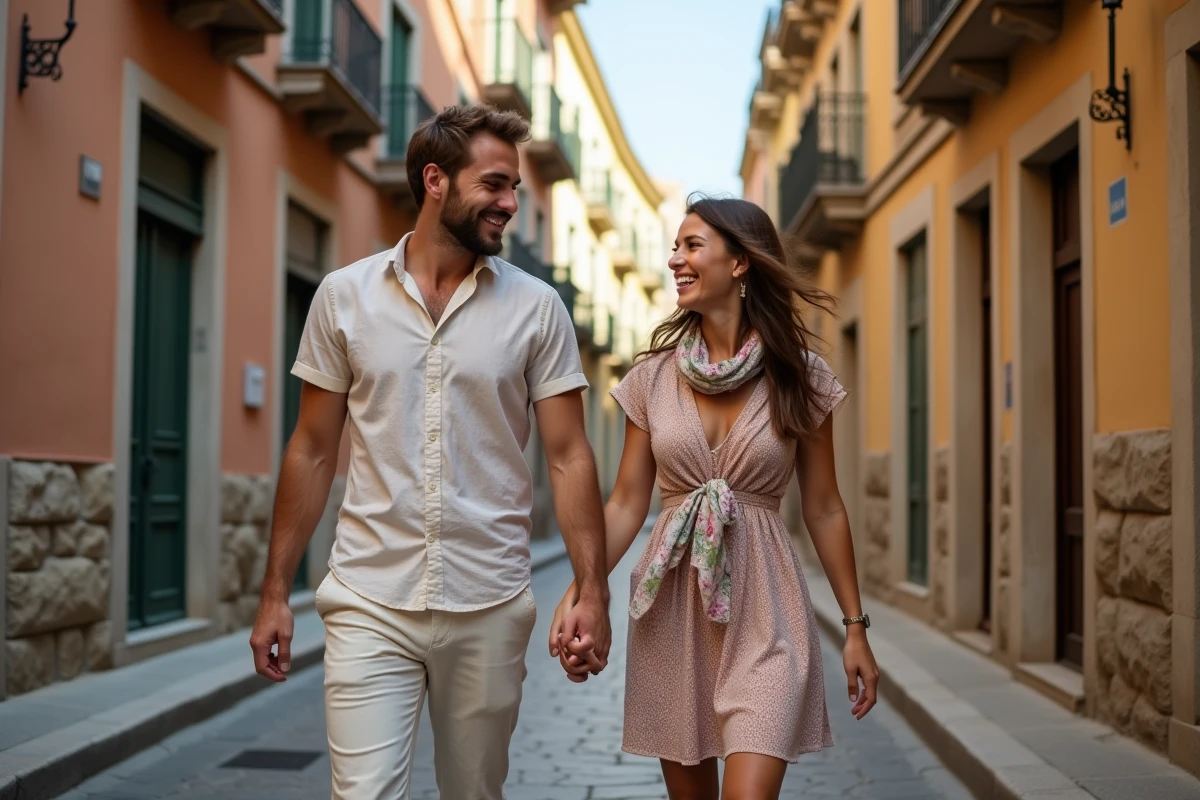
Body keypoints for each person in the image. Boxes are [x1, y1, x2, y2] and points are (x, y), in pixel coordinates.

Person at [249, 104, 612, 800]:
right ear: (436, 179)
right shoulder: (343, 298)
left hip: (489, 597)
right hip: (367, 595)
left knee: (473, 793)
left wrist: (591, 591)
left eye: (513, 189)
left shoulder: (538, 310)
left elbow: (568, 456)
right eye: (497, 184)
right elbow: (313, 449)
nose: (510, 204)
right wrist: (275, 594)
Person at [549, 196, 880, 800]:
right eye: (675, 245)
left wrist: (855, 626)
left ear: (740, 263)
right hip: (673, 609)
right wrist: (582, 588)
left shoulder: (799, 378)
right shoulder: (651, 378)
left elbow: (825, 506)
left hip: (766, 610)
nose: (675, 258)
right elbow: (626, 502)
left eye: (692, 245)